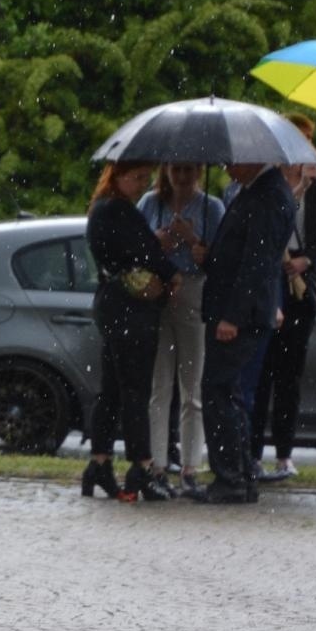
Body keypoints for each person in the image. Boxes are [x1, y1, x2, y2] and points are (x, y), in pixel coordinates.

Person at [188, 159, 298, 503]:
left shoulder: (268, 196)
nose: (227, 168)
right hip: (238, 309)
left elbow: (257, 262)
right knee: (228, 392)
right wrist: (209, 255)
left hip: (241, 314)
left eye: (233, 162)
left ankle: (231, 477)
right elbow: (242, 253)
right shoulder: (257, 192)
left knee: (219, 391)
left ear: (254, 159)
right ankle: (241, 472)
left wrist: (233, 316)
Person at [83, 162, 178, 502]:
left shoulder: (103, 209)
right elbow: (146, 254)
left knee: (112, 387)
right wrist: (165, 254)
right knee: (135, 388)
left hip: (113, 303)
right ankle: (141, 465)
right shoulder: (118, 211)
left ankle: (100, 461)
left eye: (145, 178)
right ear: (118, 176)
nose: (141, 185)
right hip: (130, 308)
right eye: (136, 178)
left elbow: (132, 250)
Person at [253, 140, 316, 481]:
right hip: (272, 274)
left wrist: (307, 258)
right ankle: (253, 452)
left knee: (290, 374)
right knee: (262, 372)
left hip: (302, 280)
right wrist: (296, 187)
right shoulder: (271, 179)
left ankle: (284, 453)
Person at [135, 163, 224, 492]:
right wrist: (157, 243)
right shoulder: (150, 203)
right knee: (159, 386)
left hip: (193, 288)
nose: (182, 177)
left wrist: (196, 244)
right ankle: (157, 464)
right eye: (176, 170)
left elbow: (220, 255)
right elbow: (137, 247)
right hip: (157, 290)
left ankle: (189, 465)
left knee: (193, 386)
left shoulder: (211, 207)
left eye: (188, 171)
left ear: (199, 171)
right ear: (167, 170)